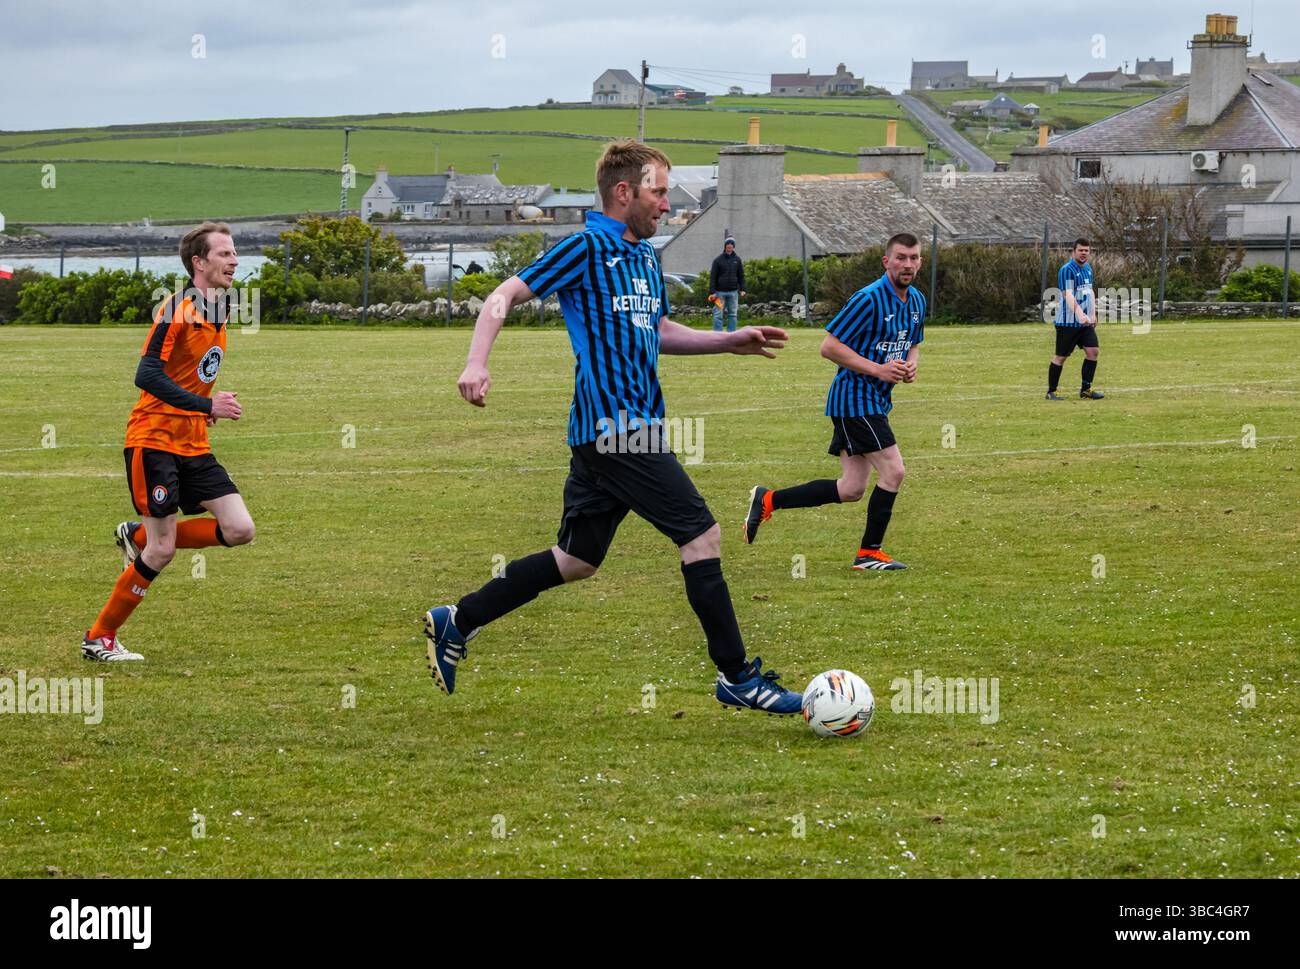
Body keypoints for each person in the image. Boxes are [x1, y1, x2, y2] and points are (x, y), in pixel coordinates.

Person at [425, 140, 804, 715]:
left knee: (576, 559)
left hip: (615, 432)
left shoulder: (644, 257)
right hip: (616, 429)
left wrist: (729, 340)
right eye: (658, 192)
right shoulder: (585, 248)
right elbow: (504, 295)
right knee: (701, 536)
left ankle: (458, 619)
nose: (667, 205)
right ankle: (737, 677)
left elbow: (657, 330)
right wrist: (477, 361)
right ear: (623, 192)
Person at [81, 221, 255, 661]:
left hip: (193, 443)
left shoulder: (225, 307)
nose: (234, 260)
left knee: (239, 530)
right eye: (224, 253)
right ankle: (99, 637)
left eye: (234, 253)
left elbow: (195, 370)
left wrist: (208, 401)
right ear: (199, 263)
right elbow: (147, 374)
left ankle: (136, 533)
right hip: (154, 440)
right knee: (163, 550)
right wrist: (206, 406)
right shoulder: (177, 309)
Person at [742, 232, 924, 572]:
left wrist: (911, 364)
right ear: (887, 261)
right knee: (894, 471)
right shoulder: (868, 299)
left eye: (914, 258)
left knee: (851, 488)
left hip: (875, 401)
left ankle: (768, 500)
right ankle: (869, 553)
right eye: (901, 257)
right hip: (855, 400)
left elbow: (914, 342)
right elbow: (829, 347)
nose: (908, 264)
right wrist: (878, 370)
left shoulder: (916, 301)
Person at [1047, 238, 1104, 400]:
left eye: (1086, 250)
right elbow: (1068, 294)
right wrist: (1079, 313)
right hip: (1068, 323)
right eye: (1081, 250)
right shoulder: (1067, 269)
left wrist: (1093, 314)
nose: (1084, 253)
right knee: (1061, 356)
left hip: (1085, 322)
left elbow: (1090, 291)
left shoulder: (1087, 268)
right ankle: (1051, 391)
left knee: (1093, 351)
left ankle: (1086, 389)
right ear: (1074, 251)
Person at [708, 237, 745, 333]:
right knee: (718, 314)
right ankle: (717, 334)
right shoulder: (718, 260)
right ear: (725, 247)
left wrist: (742, 289)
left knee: (733, 314)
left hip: (733, 292)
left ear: (733, 247)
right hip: (719, 293)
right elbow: (713, 277)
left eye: (731, 245)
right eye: (728, 245)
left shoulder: (737, 260)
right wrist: (712, 292)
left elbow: (741, 276)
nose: (729, 247)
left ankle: (731, 334)